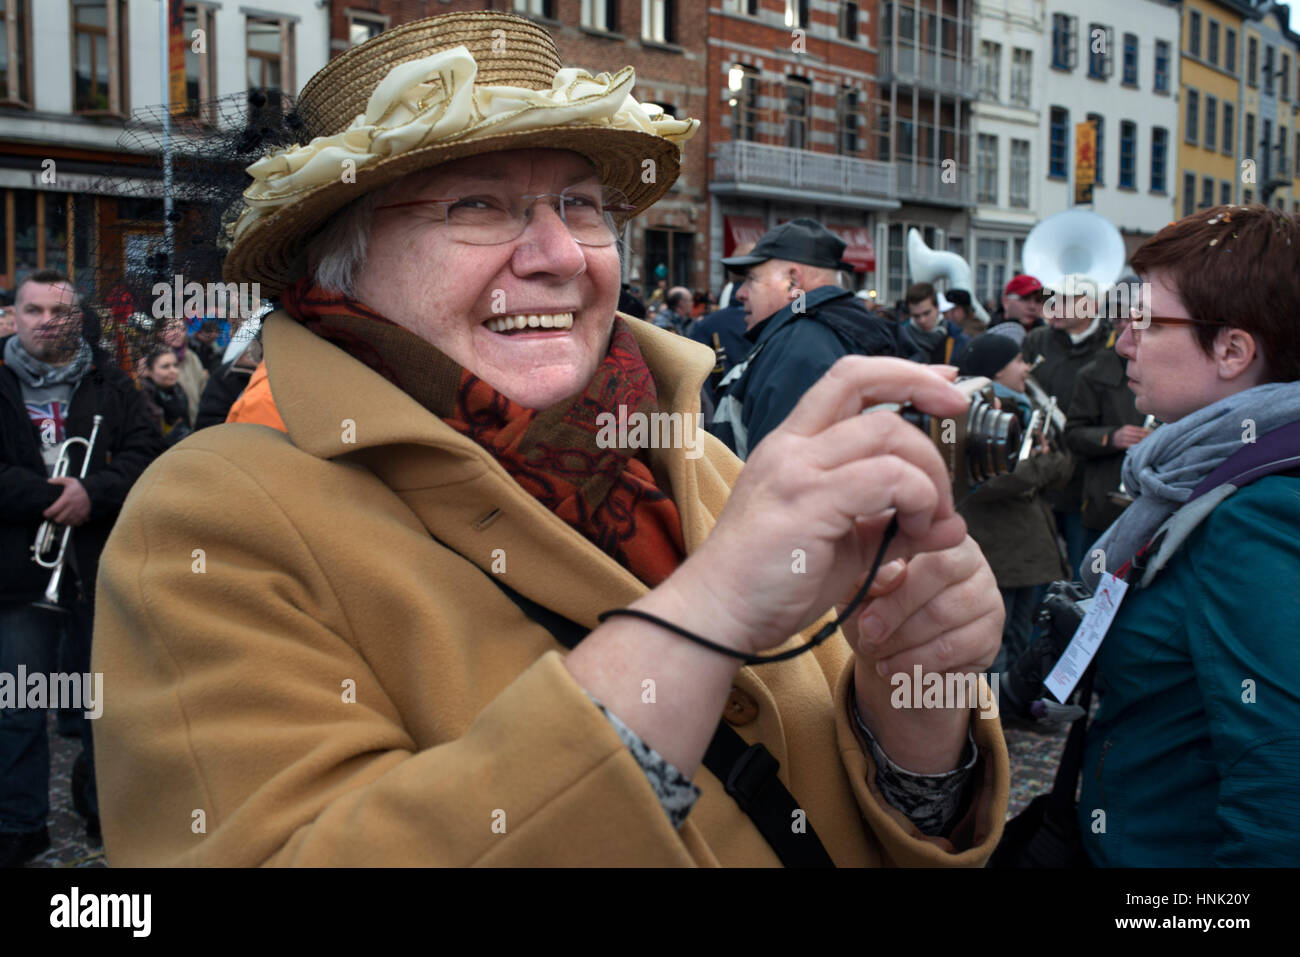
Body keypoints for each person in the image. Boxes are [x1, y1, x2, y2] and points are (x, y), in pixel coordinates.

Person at [91, 12, 1008, 866]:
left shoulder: (701, 460)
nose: (561, 254)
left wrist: (912, 718)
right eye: (478, 206)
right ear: (340, 256)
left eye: (578, 204)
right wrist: (706, 614)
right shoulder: (207, 519)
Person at [1076, 204, 1300, 866]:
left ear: (1233, 350)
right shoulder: (1211, 474)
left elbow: (1280, 784)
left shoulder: (1256, 514)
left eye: (1146, 320)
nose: (1123, 342)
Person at [0, 269, 163, 866]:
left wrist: (93, 492)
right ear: (15, 317)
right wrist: (47, 495)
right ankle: (20, 826)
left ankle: (102, 811)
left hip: (96, 569)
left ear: (78, 320)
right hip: (19, 576)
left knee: (104, 706)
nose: (47, 321)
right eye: (35, 310)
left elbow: (149, 455)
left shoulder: (108, 383)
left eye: (60, 311)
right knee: (18, 709)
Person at [710, 218, 905, 459]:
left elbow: (782, 480)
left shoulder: (801, 350)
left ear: (793, 281)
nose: (740, 294)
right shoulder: (832, 334)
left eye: (751, 279)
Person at [954, 334, 1071, 679]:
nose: (1026, 367)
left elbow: (1061, 465)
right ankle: (993, 712)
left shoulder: (1024, 408)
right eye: (1019, 360)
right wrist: (1041, 467)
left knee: (1022, 634)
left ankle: (1015, 702)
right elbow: (982, 482)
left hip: (1025, 544)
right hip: (996, 545)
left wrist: (1045, 465)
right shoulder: (978, 415)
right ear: (996, 371)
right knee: (994, 637)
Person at [1022, 275, 1112, 576]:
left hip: (1086, 481)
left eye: (1064, 301)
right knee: (1037, 572)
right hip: (1040, 475)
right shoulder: (1037, 340)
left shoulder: (1111, 347)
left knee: (1083, 570)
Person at [1063, 310, 1150, 556]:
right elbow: (1073, 434)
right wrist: (1111, 437)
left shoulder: (1168, 368)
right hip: (1106, 497)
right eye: (1118, 319)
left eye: (1133, 319)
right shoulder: (1093, 373)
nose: (1124, 326)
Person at [898, 283, 968, 365]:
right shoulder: (900, 339)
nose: (922, 320)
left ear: (937, 307)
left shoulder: (958, 339)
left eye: (927, 313)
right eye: (916, 316)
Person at [159, 315, 207, 428]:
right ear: (160, 333)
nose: (178, 333)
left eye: (182, 329)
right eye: (172, 328)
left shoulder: (191, 357)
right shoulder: (156, 363)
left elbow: (203, 388)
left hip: (197, 423)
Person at [138, 348, 193, 447]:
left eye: (175, 365)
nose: (173, 371)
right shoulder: (144, 398)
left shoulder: (178, 391)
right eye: (165, 367)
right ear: (149, 370)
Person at [988, 274, 1047, 345]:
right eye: (1025, 298)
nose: (1032, 306)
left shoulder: (1049, 340)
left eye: (1038, 300)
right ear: (1005, 302)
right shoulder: (986, 339)